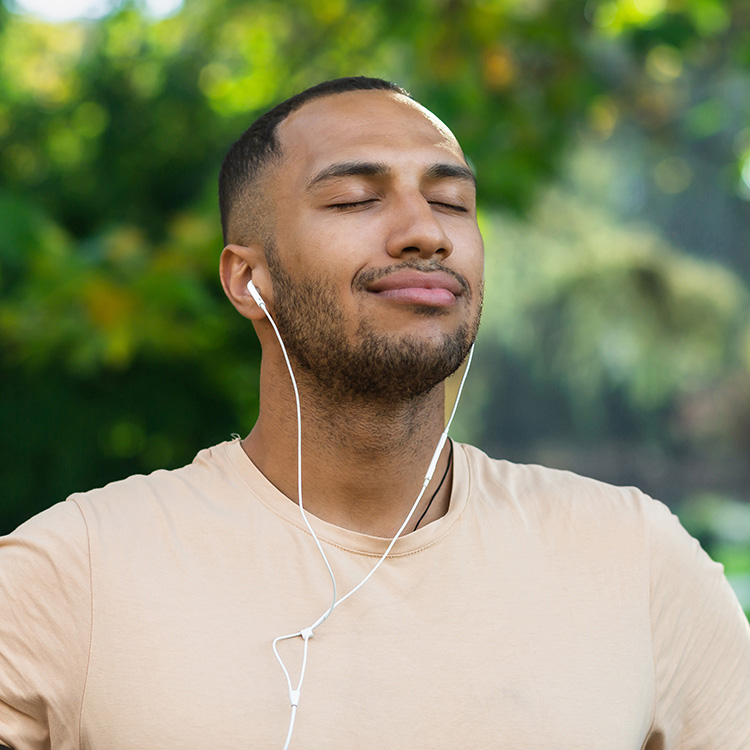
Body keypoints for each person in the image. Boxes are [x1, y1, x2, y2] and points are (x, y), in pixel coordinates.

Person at [1, 76, 748, 750]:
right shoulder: (76, 573)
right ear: (247, 277)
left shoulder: (637, 560)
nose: (427, 231)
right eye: (357, 198)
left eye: (452, 201)